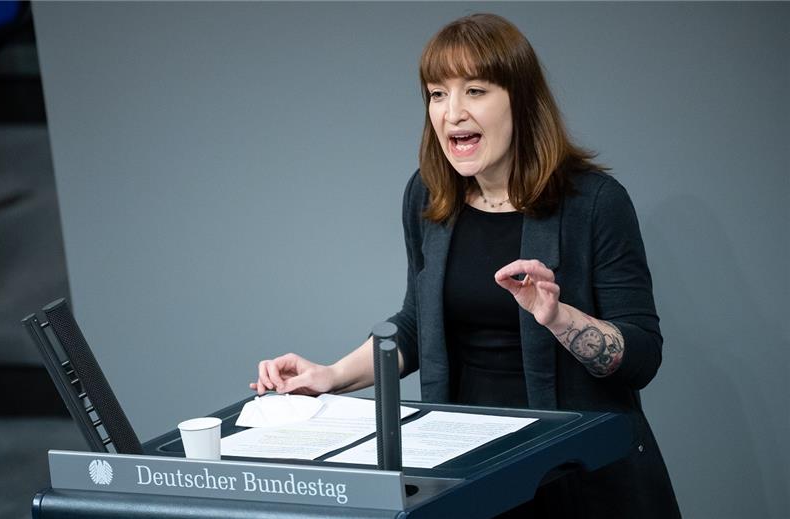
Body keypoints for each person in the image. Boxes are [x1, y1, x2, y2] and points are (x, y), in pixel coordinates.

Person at [251, 13, 680, 518]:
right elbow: (416, 327)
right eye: (437, 93)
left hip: (578, 478)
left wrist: (559, 317)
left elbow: (642, 357)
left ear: (520, 100)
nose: (452, 112)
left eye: (474, 90)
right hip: (472, 474)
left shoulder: (595, 202)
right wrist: (329, 376)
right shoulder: (429, 197)